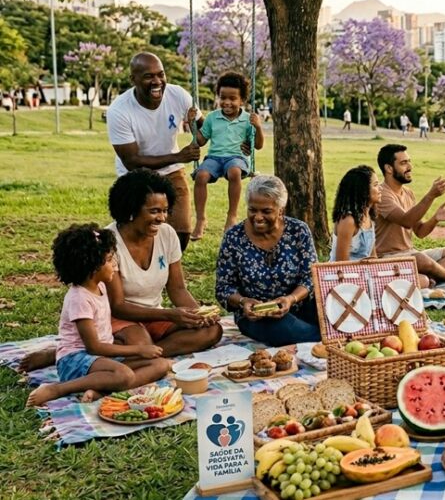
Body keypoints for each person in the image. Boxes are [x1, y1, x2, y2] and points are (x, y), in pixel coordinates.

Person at [18, 170, 224, 374]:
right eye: (154, 211)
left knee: (211, 331)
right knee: (141, 342)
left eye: (165, 211)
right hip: (119, 317)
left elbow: (177, 288)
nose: (162, 218)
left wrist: (198, 315)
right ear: (131, 210)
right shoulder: (108, 244)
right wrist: (170, 314)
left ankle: (134, 356)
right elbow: (117, 306)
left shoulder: (167, 234)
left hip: (154, 313)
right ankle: (77, 355)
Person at [26, 224, 171, 407]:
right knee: (124, 375)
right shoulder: (79, 298)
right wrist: (138, 349)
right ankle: (57, 389)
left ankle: (101, 389)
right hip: (75, 360)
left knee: (161, 365)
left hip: (101, 358)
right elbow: (94, 347)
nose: (114, 265)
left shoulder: (100, 287)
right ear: (93, 266)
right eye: (110, 260)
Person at [107, 52, 201, 252]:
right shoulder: (119, 110)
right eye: (149, 76)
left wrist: (234, 131)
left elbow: (204, 129)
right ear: (134, 79)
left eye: (161, 74)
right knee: (141, 231)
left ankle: (168, 272)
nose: (157, 81)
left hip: (172, 172)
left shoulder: (178, 95)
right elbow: (131, 161)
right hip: (135, 175)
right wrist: (179, 156)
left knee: (181, 232)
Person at [216, 175, 320, 346]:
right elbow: (223, 287)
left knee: (331, 312)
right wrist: (243, 302)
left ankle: (322, 335)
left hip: (298, 306)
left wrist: (291, 299)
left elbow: (310, 277)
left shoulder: (298, 231)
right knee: (285, 328)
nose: (258, 217)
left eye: (266, 211)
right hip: (256, 317)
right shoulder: (233, 237)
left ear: (281, 210)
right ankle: (322, 339)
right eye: (252, 210)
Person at [374, 144, 445, 282]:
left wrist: (435, 219)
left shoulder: (408, 193)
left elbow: (420, 232)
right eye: (404, 163)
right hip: (387, 258)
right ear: (389, 168)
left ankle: (429, 279)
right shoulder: (381, 194)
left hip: (410, 253)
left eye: (409, 161)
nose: (410, 167)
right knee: (419, 259)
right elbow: (406, 221)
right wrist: (430, 196)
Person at [188, 71, 264, 241]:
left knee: (234, 172)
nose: (227, 102)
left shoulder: (247, 120)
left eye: (232, 98)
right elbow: (200, 141)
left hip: (236, 158)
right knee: (200, 176)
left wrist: (258, 127)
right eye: (223, 97)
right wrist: (192, 124)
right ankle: (201, 220)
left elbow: (258, 145)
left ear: (242, 100)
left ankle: (232, 216)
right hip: (214, 158)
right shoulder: (212, 118)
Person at [330, 165, 380, 263]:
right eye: (375, 185)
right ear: (363, 190)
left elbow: (373, 257)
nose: (380, 188)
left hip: (365, 273)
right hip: (343, 275)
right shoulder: (348, 220)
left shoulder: (368, 216)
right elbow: (341, 263)